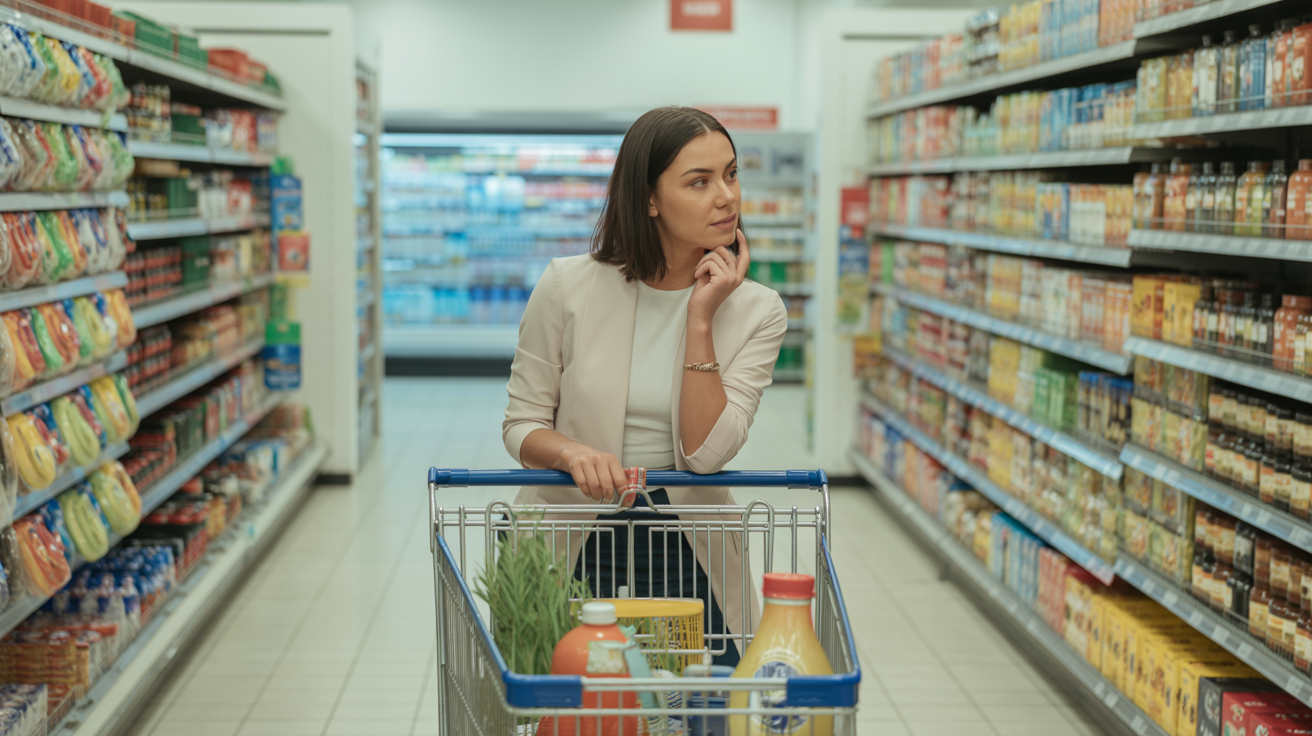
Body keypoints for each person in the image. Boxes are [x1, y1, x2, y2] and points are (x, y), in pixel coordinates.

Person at [501, 106, 788, 666]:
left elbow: (706, 454)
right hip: (573, 535)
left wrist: (700, 319)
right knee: (568, 707)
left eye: (730, 174)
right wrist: (572, 451)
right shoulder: (567, 287)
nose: (727, 197)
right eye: (699, 182)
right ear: (650, 198)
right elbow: (521, 425)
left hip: (689, 545)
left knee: (697, 708)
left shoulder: (758, 310)